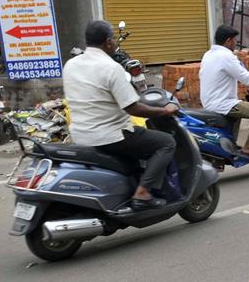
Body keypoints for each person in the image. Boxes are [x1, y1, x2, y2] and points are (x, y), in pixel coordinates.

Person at [63, 20, 178, 210]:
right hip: (110, 136)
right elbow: (133, 108)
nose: (116, 42)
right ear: (108, 42)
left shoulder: (71, 64)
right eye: (114, 38)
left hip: (80, 134)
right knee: (166, 142)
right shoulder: (111, 68)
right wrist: (164, 110)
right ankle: (142, 193)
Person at [201, 25, 249, 159]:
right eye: (235, 40)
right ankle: (248, 149)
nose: (236, 43)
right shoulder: (226, 56)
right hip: (222, 103)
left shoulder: (208, 54)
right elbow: (245, 77)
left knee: (238, 112)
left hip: (209, 101)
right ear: (228, 41)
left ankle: (232, 144)